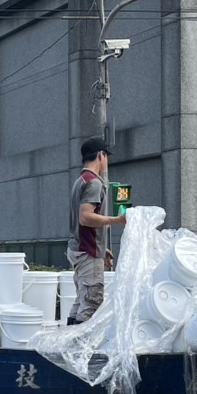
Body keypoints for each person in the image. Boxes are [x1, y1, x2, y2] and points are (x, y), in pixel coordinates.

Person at [67, 136, 126, 324]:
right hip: (87, 252)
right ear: (101, 155)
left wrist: (102, 248)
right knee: (92, 303)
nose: (107, 161)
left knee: (82, 300)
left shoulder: (80, 180)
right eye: (106, 156)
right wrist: (118, 220)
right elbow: (86, 217)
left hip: (79, 248)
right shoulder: (94, 182)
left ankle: (67, 345)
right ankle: (79, 350)